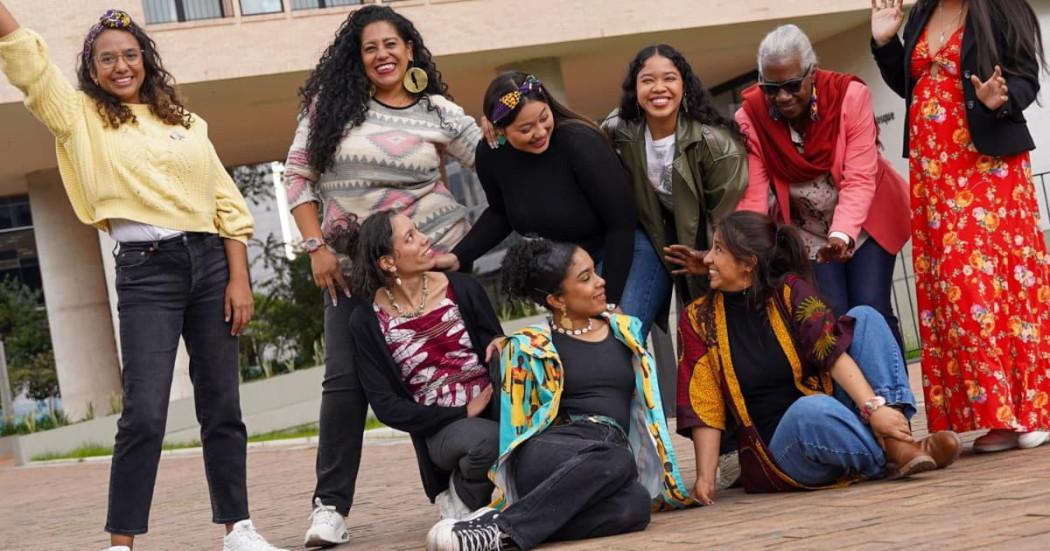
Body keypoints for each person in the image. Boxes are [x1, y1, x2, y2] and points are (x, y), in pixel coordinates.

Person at [0, 6, 283, 551]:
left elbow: (226, 203)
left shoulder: (186, 123)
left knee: (222, 406)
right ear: (93, 68)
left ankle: (239, 529)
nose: (121, 66)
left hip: (210, 265)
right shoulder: (79, 116)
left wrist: (238, 279)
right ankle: (121, 544)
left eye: (130, 55)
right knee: (145, 414)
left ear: (146, 61)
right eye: (107, 58)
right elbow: (29, 65)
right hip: (145, 271)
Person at [281, 6, 483, 546]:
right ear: (359, 58)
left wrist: (518, 100)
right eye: (371, 48)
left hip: (430, 263)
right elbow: (297, 176)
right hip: (351, 273)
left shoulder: (435, 111)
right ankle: (329, 509)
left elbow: (494, 149)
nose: (383, 55)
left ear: (410, 49)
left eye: (392, 44)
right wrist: (315, 247)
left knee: (432, 372)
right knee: (345, 384)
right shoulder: (330, 110)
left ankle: (447, 491)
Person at [426, 238, 695, 551]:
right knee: (617, 458)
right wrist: (509, 355)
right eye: (585, 278)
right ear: (556, 300)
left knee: (634, 505)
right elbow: (516, 425)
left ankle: (499, 536)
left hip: (603, 458)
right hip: (550, 452)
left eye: (594, 273)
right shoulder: (532, 347)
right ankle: (503, 525)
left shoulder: (626, 332)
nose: (600, 282)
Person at [675, 211, 961, 504]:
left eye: (718, 249)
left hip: (833, 416)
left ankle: (898, 442)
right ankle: (895, 452)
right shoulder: (698, 319)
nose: (707, 259)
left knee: (866, 318)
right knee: (809, 411)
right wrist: (705, 479)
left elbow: (830, 351)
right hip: (782, 447)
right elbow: (704, 402)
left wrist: (874, 409)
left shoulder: (790, 290)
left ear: (749, 263)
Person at [871, 0, 1050, 451]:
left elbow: (1025, 74)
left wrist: (1002, 96)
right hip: (934, 173)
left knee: (993, 284)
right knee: (956, 292)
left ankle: (1031, 409)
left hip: (987, 168)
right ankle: (998, 416)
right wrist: (885, 42)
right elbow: (907, 84)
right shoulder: (921, 13)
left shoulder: (1001, 9)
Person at [735, 24, 910, 353]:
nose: (782, 97)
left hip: (866, 222)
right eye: (771, 88)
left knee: (871, 309)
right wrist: (742, 249)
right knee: (832, 317)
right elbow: (755, 194)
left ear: (811, 72)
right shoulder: (750, 117)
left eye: (791, 85)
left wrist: (841, 235)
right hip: (809, 232)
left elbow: (860, 176)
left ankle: (895, 399)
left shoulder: (849, 96)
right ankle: (858, 403)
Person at [435, 73, 650, 333]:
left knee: (614, 336)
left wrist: (610, 301)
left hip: (624, 251)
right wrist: (459, 256)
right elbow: (501, 213)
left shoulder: (579, 142)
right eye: (525, 129)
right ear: (500, 129)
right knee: (584, 353)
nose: (539, 132)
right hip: (570, 267)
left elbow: (621, 224)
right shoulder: (491, 155)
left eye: (544, 118)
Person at [342, 211, 501, 520]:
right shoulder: (367, 321)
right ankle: (462, 494)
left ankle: (486, 501)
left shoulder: (463, 288)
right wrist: (462, 412)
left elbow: (495, 348)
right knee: (490, 443)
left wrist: (502, 346)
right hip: (440, 428)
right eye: (410, 237)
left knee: (533, 436)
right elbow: (387, 406)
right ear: (388, 262)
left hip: (495, 405)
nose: (425, 238)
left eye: (418, 230)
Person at [602, 44, 749, 307]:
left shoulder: (716, 145)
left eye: (669, 78)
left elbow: (729, 220)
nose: (659, 88)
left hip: (712, 246)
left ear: (684, 86)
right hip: (657, 240)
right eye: (648, 80)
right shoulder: (620, 131)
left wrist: (709, 257)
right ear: (634, 89)